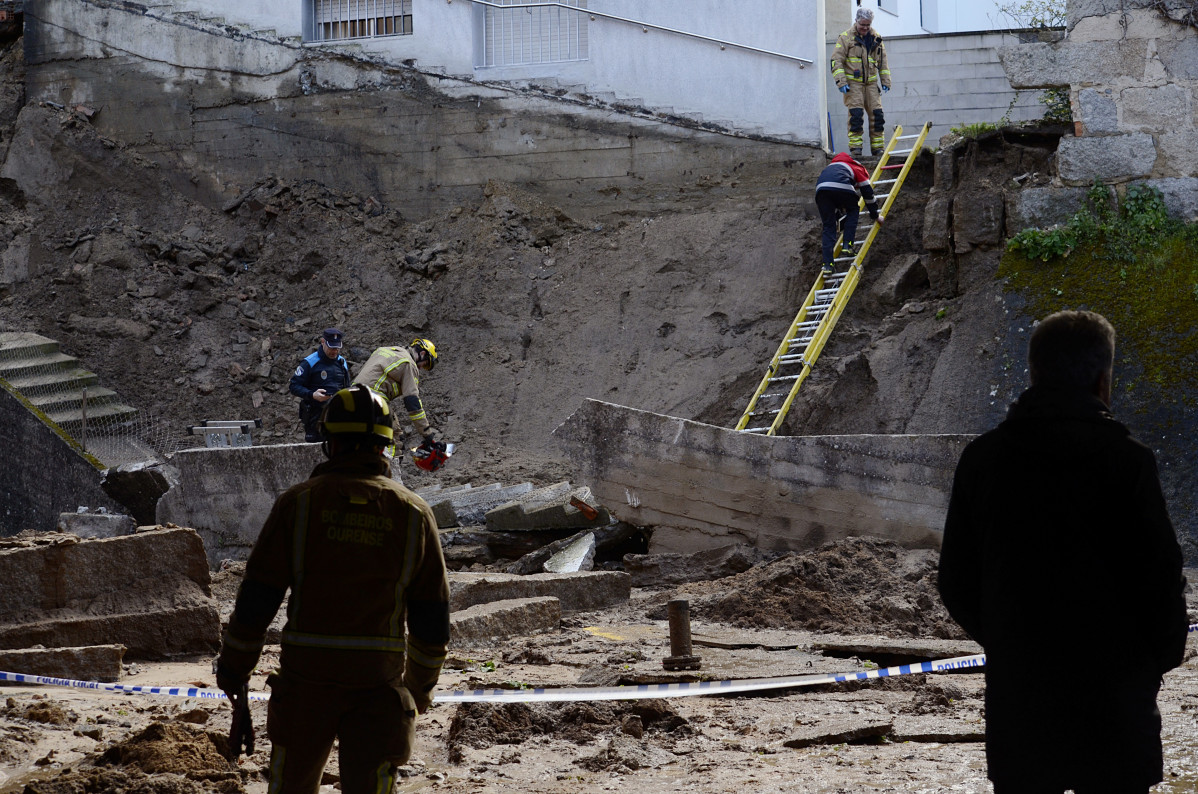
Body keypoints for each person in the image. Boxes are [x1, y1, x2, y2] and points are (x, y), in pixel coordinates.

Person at [938, 310, 1188, 794]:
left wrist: (1011, 641)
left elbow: (956, 580)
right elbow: (1161, 576)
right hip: (1116, 699)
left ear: (1034, 372)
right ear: (1102, 379)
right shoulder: (1128, 460)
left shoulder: (984, 460)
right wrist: (1150, 662)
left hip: (1023, 699)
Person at [216, 384, 450, 794]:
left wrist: (234, 671)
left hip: (305, 688)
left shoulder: (299, 504)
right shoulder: (414, 513)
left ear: (331, 442)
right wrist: (416, 693)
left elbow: (256, 600)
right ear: (384, 446)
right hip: (378, 692)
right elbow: (431, 621)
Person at [353, 338, 440, 444]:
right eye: (425, 364)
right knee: (394, 438)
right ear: (422, 354)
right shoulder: (408, 364)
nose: (421, 368)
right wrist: (427, 433)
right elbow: (412, 402)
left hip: (351, 395)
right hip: (372, 399)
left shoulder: (385, 350)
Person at [832, 8, 891, 158]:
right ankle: (856, 149)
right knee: (856, 116)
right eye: (862, 24)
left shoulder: (876, 38)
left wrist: (885, 81)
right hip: (853, 85)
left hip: (871, 84)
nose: (865, 28)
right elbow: (836, 61)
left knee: (877, 116)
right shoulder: (845, 38)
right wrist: (841, 82)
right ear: (856, 21)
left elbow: (883, 62)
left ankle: (878, 149)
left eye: (868, 25)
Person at [815, 152, 882, 278]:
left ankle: (828, 265)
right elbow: (867, 194)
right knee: (853, 210)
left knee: (828, 226)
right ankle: (848, 245)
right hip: (840, 187)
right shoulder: (857, 167)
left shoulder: (830, 168)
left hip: (821, 191)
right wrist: (875, 215)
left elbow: (832, 194)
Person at [289, 327, 352, 442]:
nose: (334, 351)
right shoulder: (310, 362)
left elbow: (347, 387)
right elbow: (293, 386)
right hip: (315, 418)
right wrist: (312, 395)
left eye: (337, 348)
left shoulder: (342, 362)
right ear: (323, 342)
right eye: (331, 347)